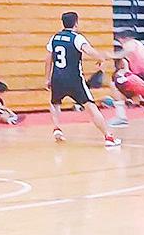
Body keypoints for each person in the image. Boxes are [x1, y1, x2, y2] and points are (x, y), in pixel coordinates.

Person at [46, 12, 120, 147]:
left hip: (57, 78)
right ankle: (108, 137)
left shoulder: (54, 38)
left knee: (55, 103)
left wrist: (47, 78)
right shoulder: (77, 38)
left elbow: (48, 59)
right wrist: (100, 57)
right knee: (91, 106)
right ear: (76, 23)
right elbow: (88, 50)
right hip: (74, 79)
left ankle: (57, 128)